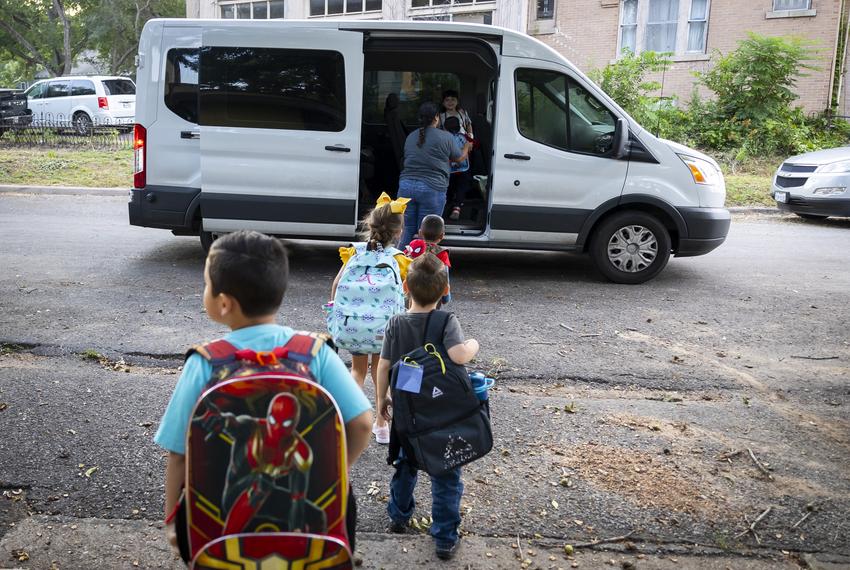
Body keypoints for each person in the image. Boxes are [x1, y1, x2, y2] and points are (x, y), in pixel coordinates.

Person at [155, 230, 373, 561]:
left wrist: (173, 520)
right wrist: (337, 469)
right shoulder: (315, 353)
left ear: (224, 303)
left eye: (206, 285)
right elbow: (362, 424)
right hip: (297, 536)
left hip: (221, 535)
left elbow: (179, 455)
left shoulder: (205, 363)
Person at [375, 254, 480, 561]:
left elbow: (383, 366)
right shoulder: (447, 321)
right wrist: (474, 344)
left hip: (408, 412)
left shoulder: (396, 323)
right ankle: (445, 538)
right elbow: (460, 356)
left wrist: (381, 400)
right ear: (445, 289)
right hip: (442, 412)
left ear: (405, 286)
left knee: (406, 463)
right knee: (446, 473)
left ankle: (399, 515)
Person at [331, 193, 412, 445]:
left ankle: (349, 421)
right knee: (380, 369)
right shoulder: (398, 259)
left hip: (354, 324)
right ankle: (381, 424)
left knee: (357, 370)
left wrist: (338, 310)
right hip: (383, 327)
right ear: (398, 232)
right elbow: (405, 292)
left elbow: (336, 285)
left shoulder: (353, 253)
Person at [398, 102, 471, 247]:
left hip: (405, 187)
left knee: (406, 230)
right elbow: (458, 158)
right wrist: (467, 146)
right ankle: (422, 266)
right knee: (427, 234)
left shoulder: (411, 136)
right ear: (437, 117)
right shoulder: (446, 137)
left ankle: (399, 264)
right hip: (432, 189)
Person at [404, 214, 451, 305]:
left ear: (420, 233)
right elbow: (445, 276)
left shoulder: (413, 248)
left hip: (412, 291)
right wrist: (446, 297)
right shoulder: (442, 253)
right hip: (433, 294)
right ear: (442, 236)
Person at [442, 116, 473, 221]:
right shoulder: (463, 137)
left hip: (449, 170)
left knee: (449, 188)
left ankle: (446, 205)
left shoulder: (444, 138)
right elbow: (470, 148)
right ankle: (457, 208)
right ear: (459, 127)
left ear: (445, 128)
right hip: (463, 169)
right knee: (461, 188)